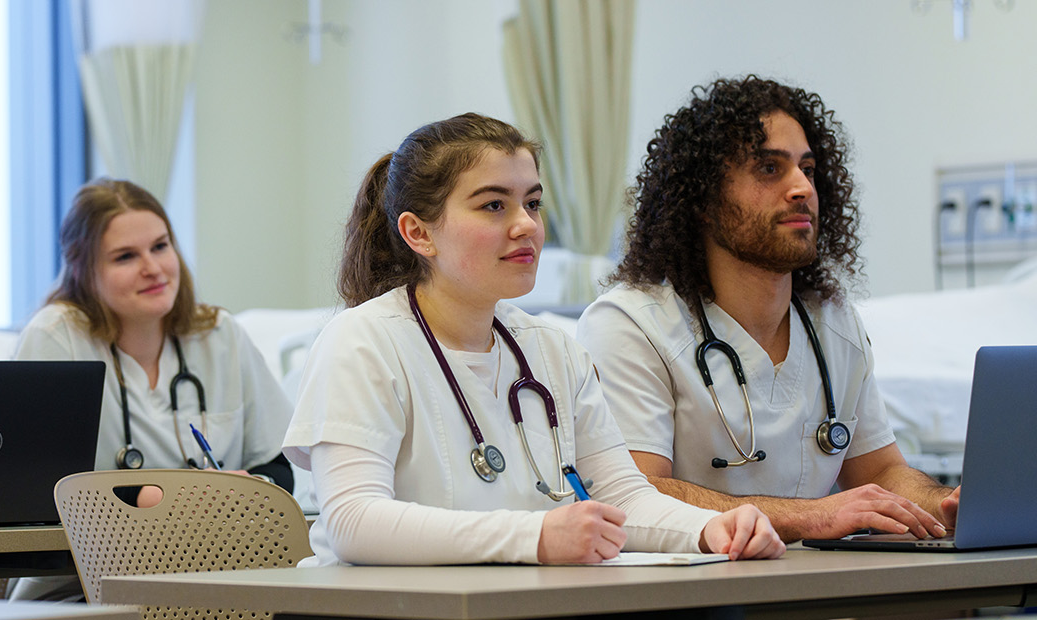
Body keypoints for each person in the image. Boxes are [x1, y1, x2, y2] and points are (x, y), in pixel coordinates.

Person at [282, 113, 784, 566]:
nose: (526, 225)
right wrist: (535, 536)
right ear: (419, 234)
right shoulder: (362, 342)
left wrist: (712, 528)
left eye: (533, 203)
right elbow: (355, 523)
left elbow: (622, 498)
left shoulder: (553, 350)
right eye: (494, 205)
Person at [577, 76, 960, 543]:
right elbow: (636, 494)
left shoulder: (831, 322)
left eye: (808, 168)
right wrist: (815, 515)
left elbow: (880, 471)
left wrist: (947, 504)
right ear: (703, 200)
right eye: (768, 169)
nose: (801, 187)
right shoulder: (631, 325)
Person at [10, 178, 294, 600]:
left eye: (161, 246)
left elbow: (281, 467)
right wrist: (152, 498)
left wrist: (245, 489)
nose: (153, 268)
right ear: (82, 268)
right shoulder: (57, 338)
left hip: (216, 577)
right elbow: (29, 489)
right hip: (81, 588)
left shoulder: (220, 335)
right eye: (125, 256)